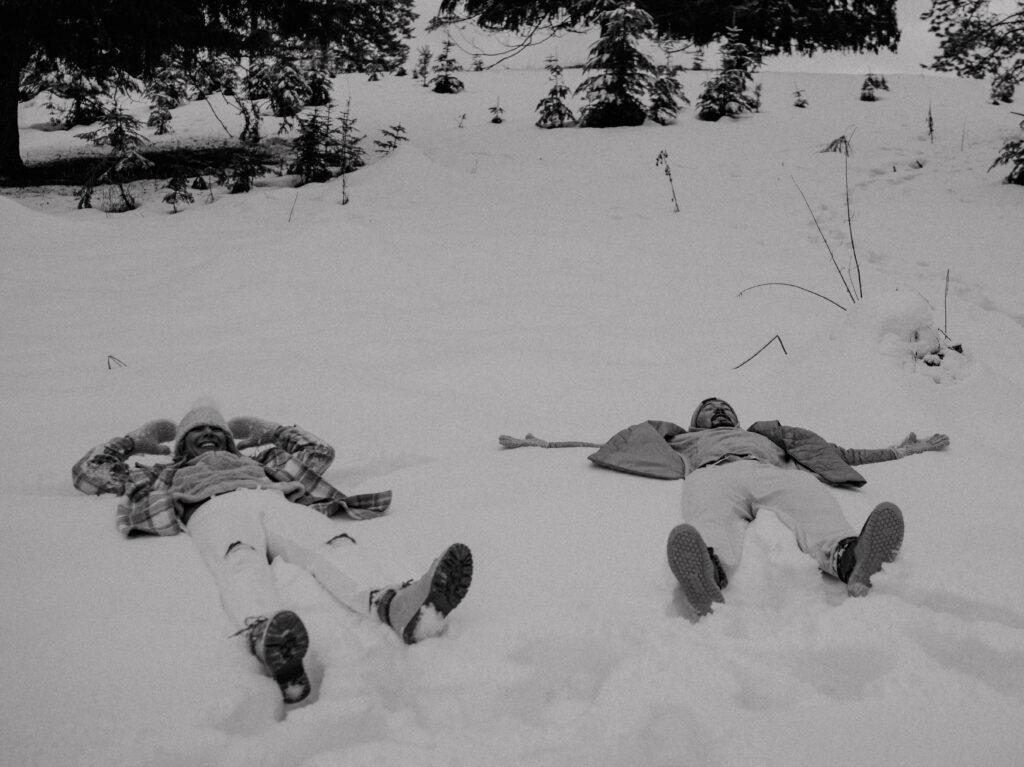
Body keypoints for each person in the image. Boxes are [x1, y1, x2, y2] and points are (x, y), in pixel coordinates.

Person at [72, 405, 473, 704]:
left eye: (217, 429)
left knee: (332, 545)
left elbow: (318, 452)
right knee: (240, 560)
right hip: (212, 509)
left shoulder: (259, 461)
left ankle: (395, 606)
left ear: (230, 441)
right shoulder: (162, 472)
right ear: (182, 445)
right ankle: (267, 635)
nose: (209, 433)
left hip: (275, 500)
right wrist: (133, 441)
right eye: (198, 431)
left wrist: (268, 431)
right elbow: (89, 474)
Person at [585, 397, 948, 617]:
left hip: (769, 472)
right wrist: (538, 444)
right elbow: (616, 444)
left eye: (725, 407)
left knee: (810, 495)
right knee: (708, 514)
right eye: (710, 410)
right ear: (697, 422)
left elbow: (835, 453)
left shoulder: (765, 437)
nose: (719, 411)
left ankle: (849, 556)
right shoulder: (683, 439)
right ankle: (708, 571)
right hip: (713, 475)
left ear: (738, 419)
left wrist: (902, 450)